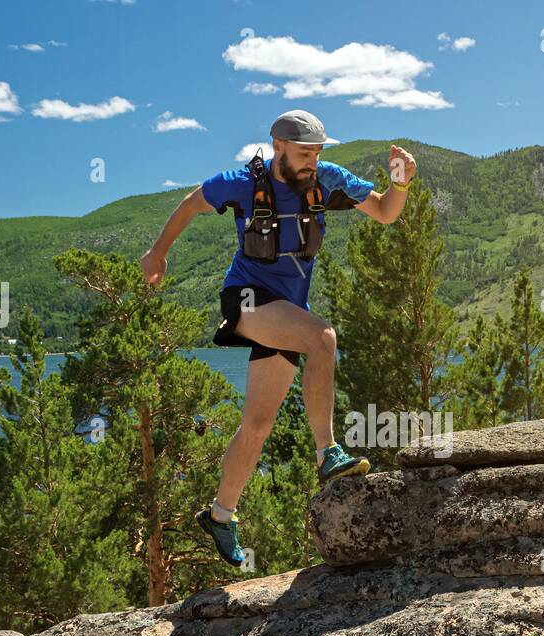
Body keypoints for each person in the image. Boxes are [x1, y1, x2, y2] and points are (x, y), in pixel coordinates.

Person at [141, 109, 417, 567]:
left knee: (257, 424)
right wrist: (158, 252)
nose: (312, 160)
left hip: (287, 312)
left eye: (317, 152)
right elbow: (191, 203)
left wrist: (401, 182)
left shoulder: (327, 179)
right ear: (279, 148)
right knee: (323, 338)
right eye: (305, 152)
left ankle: (220, 515)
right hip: (247, 299)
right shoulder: (242, 182)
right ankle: (327, 451)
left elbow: (386, 213)